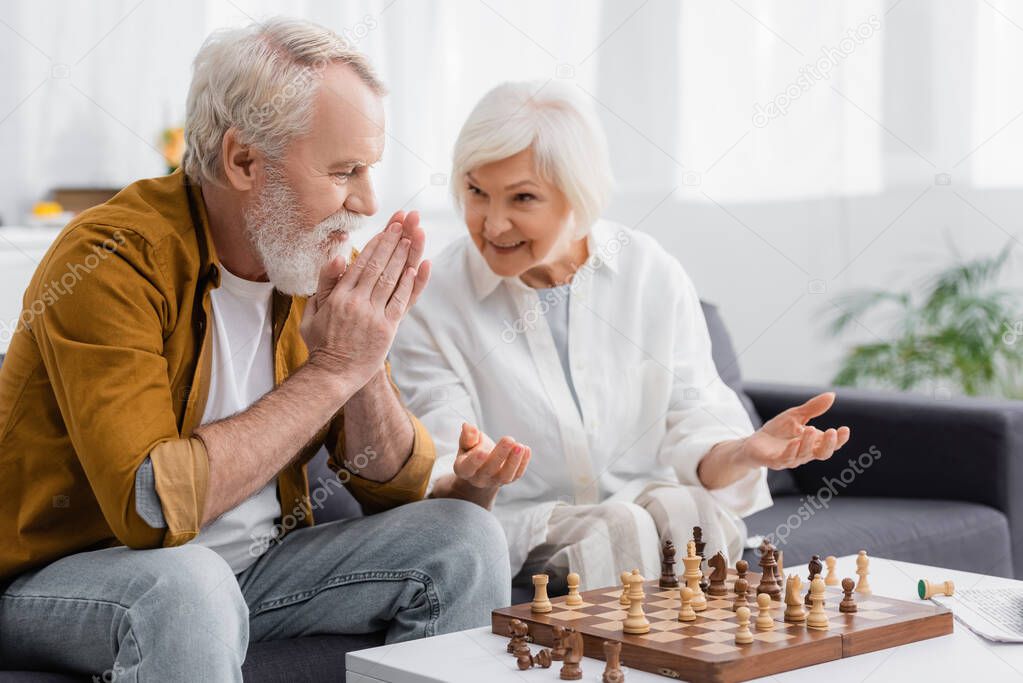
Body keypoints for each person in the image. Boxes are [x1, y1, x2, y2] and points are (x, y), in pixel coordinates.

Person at [0, 19, 509, 681]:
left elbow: (397, 487)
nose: (366, 201)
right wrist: (333, 369)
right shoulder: (111, 257)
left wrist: (364, 364)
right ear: (243, 161)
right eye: (344, 170)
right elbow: (151, 508)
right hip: (58, 580)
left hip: (249, 570)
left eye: (369, 169)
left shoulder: (299, 257)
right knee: (186, 585)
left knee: (462, 539)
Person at [390, 81, 851, 591]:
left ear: (579, 197)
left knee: (689, 507)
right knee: (621, 526)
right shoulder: (434, 298)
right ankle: (625, 668)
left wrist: (747, 452)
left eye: (522, 198)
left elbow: (694, 420)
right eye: (476, 192)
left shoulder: (649, 270)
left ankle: (718, 662)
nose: (493, 224)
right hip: (519, 523)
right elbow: (439, 474)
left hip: (646, 500)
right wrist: (474, 476)